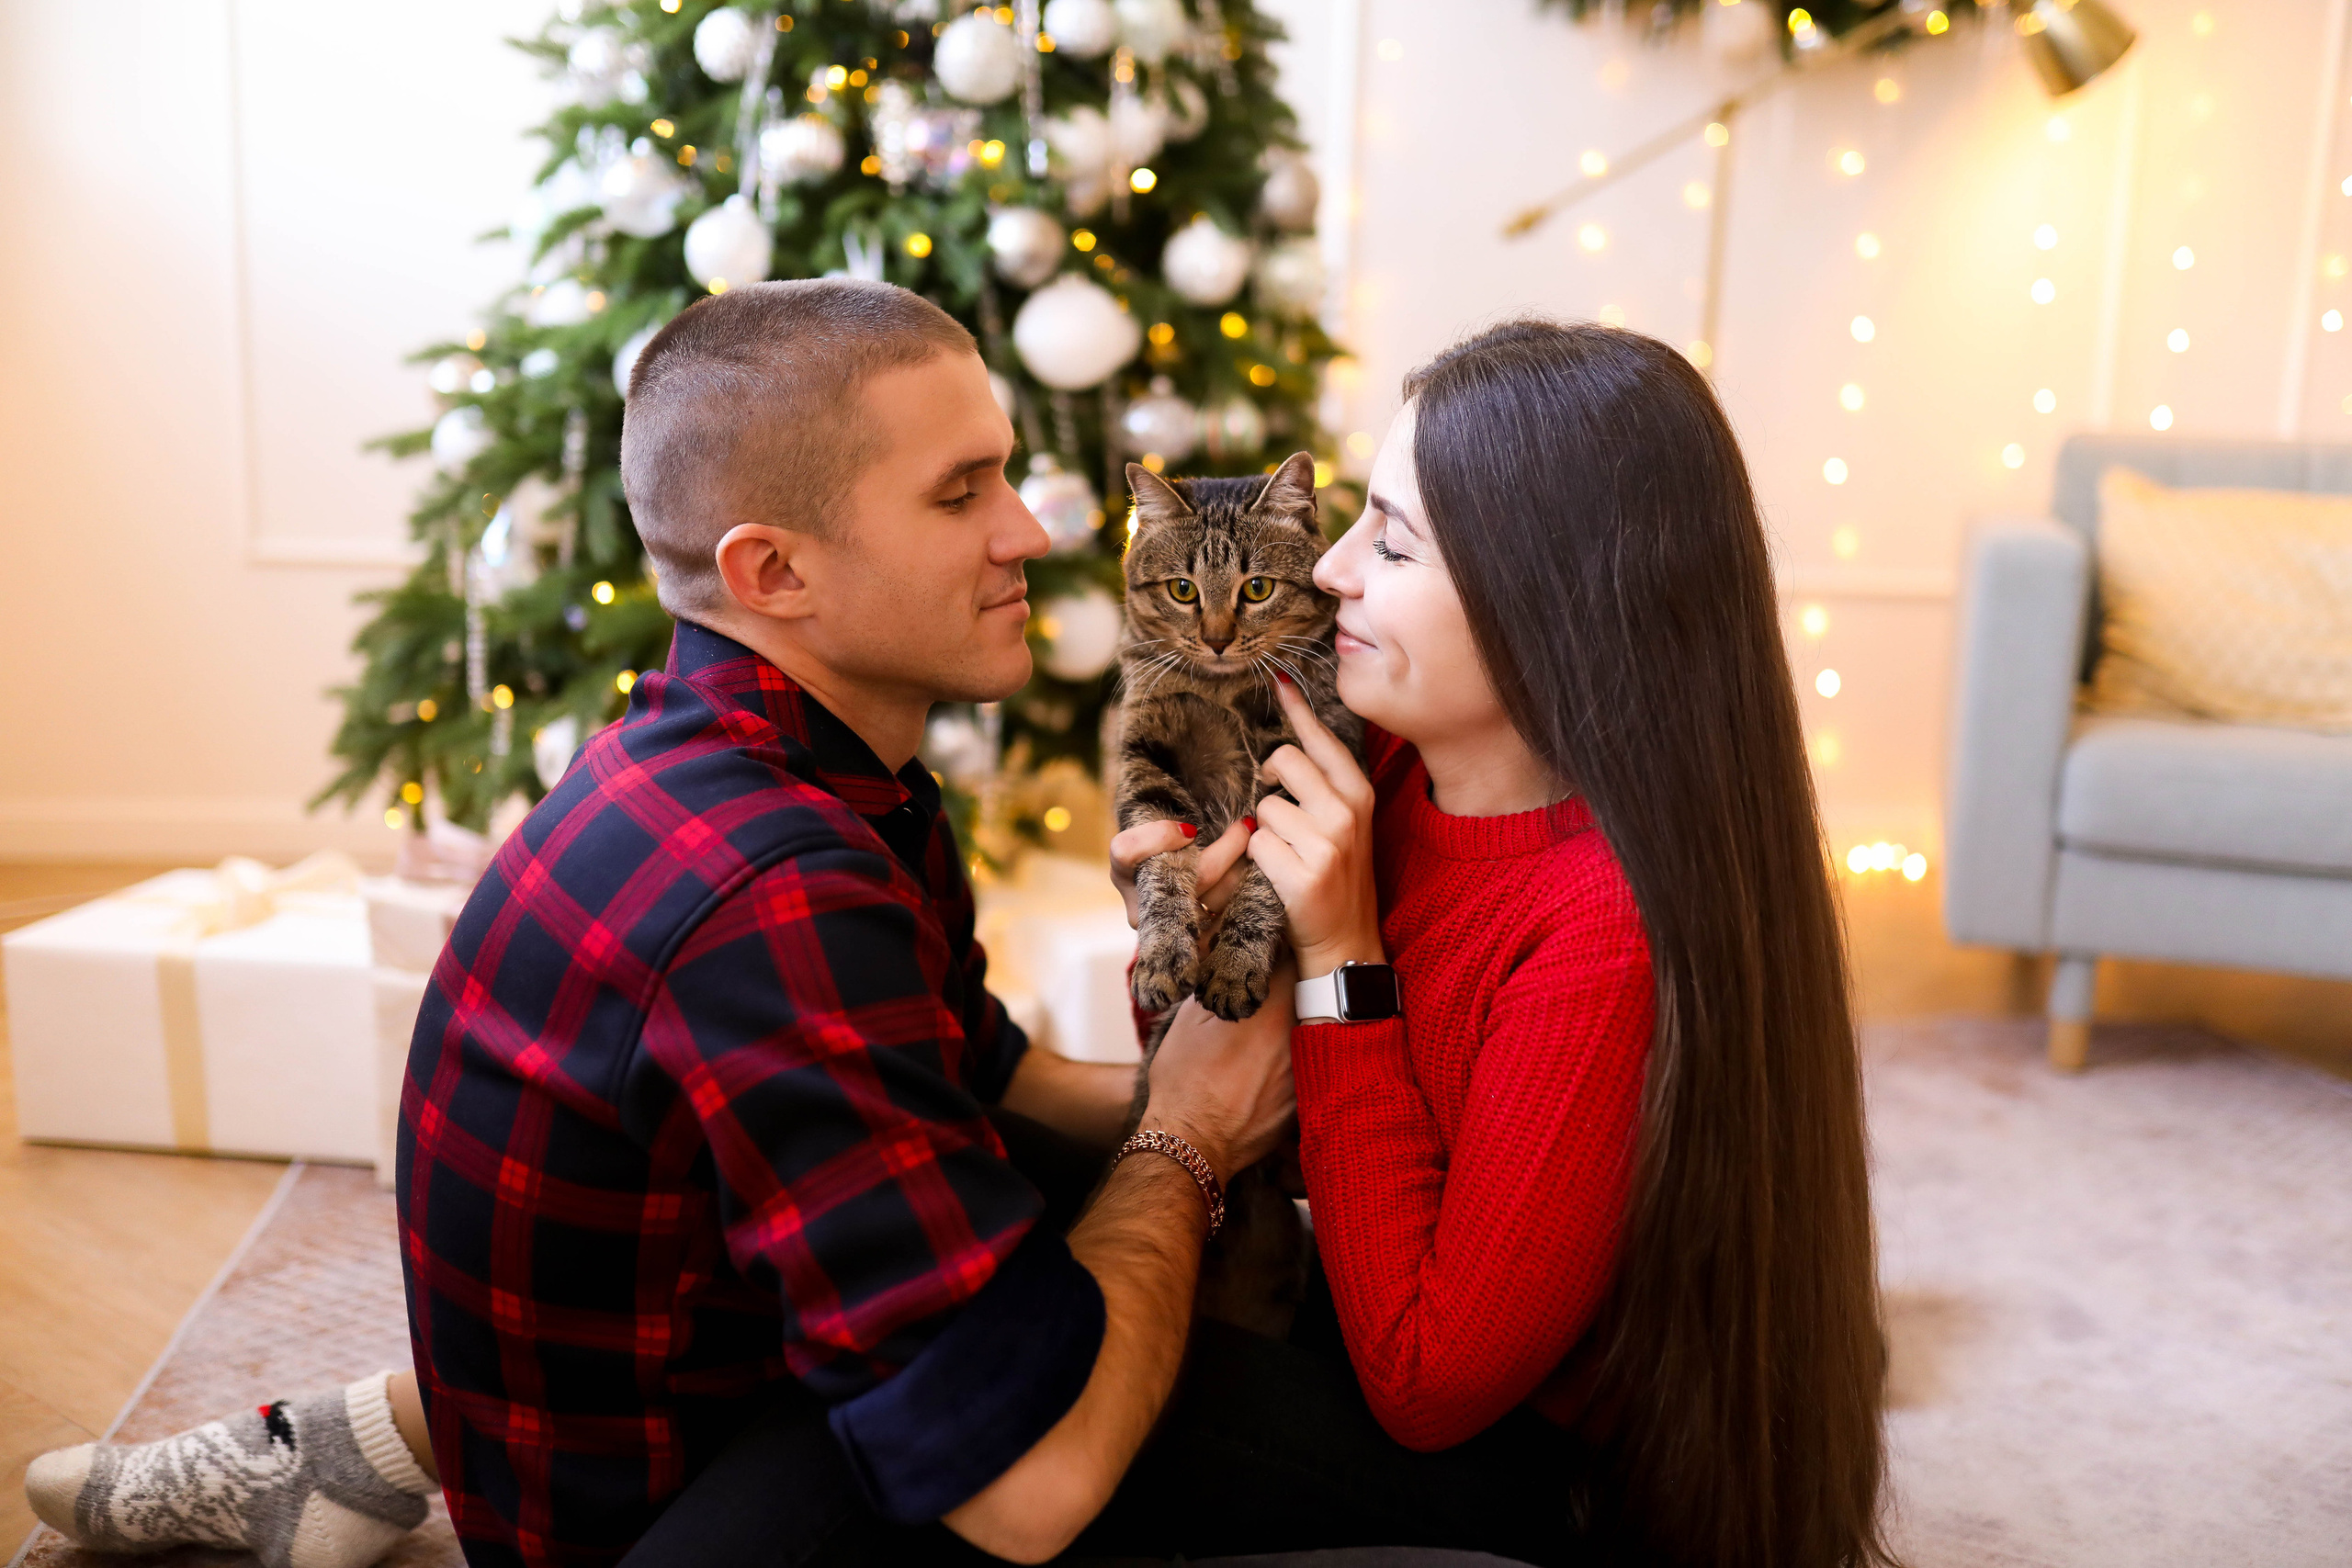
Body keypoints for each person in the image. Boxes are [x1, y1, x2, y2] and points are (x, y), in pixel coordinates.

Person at [24, 278, 1297, 1568]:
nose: (1028, 532)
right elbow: (1033, 1497)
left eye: (1005, 477)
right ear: (773, 570)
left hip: (671, 1381)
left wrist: (1207, 1055)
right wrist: (1190, 1133)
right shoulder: (773, 890)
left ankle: (367, 1441)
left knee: (1137, 1247)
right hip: (660, 1523)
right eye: (960, 493)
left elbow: (991, 1079)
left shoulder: (820, 770)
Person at [1078, 319, 1895, 1568]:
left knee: (1044, 1404)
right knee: (1018, 1284)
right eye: (1354, 520)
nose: (1333, 571)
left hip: (1515, 1478)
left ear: (1549, 601)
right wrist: (1184, 924)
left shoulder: (1600, 932)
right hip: (1344, 1322)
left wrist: (1346, 962)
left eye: (1392, 540)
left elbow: (1422, 1381)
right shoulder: (1383, 776)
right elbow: (1255, 1118)